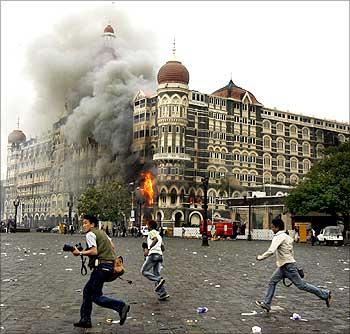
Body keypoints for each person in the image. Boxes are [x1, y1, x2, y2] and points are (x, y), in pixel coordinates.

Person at [255, 218, 332, 312]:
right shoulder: (287, 236)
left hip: (287, 266)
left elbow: (271, 251)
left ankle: (325, 294)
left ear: (277, 227)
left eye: (272, 227)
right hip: (285, 265)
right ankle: (267, 304)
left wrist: (260, 257)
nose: (271, 229)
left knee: (302, 285)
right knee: (272, 282)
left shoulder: (278, 237)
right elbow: (291, 252)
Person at [72, 214, 130, 328]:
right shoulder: (102, 233)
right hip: (109, 266)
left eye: (85, 223)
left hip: (101, 267)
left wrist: (79, 253)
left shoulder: (90, 234)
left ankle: (120, 306)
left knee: (95, 296)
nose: (83, 225)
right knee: (87, 291)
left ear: (92, 224)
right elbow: (112, 246)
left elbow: (94, 251)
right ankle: (85, 320)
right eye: (83, 223)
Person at [141, 220, 169, 301]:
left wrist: (149, 249)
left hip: (153, 255)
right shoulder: (159, 235)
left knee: (144, 271)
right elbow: (163, 247)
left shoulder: (152, 232)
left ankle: (159, 280)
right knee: (156, 273)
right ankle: (163, 293)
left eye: (147, 225)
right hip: (160, 256)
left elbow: (155, 239)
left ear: (150, 226)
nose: (147, 227)